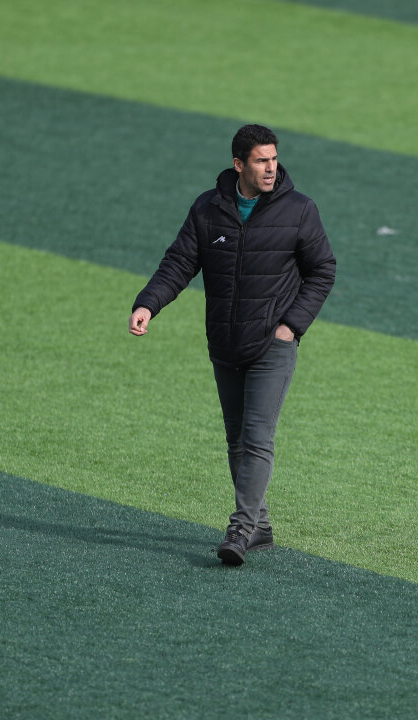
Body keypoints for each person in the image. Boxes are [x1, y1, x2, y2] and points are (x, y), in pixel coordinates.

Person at [129, 124, 336, 566]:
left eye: (274, 159)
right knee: (236, 440)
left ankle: (240, 529)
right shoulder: (208, 209)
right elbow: (179, 263)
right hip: (224, 342)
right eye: (261, 161)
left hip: (272, 346)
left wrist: (291, 327)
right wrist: (148, 303)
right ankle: (259, 525)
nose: (271, 168)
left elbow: (323, 270)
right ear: (239, 164)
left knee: (257, 438)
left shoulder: (299, 210)